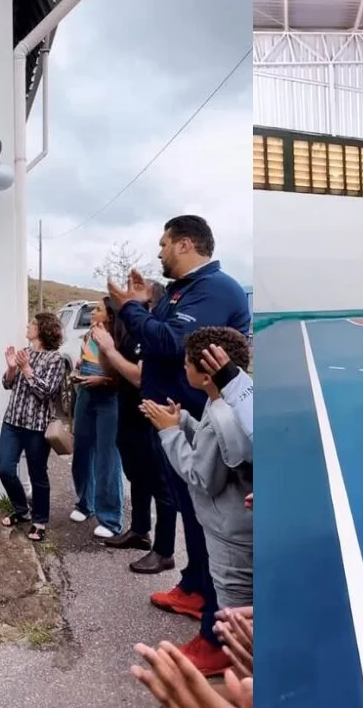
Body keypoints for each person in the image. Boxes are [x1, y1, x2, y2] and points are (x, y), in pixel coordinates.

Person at [108, 215, 250, 676]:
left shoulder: (218, 290)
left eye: (164, 243)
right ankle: (193, 587)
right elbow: (157, 338)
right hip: (175, 417)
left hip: (197, 426)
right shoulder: (179, 291)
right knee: (192, 515)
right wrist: (148, 303)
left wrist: (131, 308)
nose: (159, 252)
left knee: (209, 524)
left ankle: (219, 635)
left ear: (185, 244)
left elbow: (170, 342)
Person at [141, 327, 253, 618]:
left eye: (187, 363)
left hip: (230, 537)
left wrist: (170, 433)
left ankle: (228, 646)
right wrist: (184, 421)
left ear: (205, 377)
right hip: (239, 529)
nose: (183, 367)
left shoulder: (220, 416)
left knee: (234, 612)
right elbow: (217, 448)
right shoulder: (229, 400)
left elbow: (202, 478)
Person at [93, 282, 177, 574]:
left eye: (138, 300)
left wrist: (109, 348)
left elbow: (140, 377)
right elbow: (111, 371)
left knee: (161, 485)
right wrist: (103, 346)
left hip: (152, 417)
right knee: (137, 476)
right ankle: (140, 531)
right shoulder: (130, 332)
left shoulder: (156, 334)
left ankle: (164, 551)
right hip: (128, 411)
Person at [0, 312, 64, 542]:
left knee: (38, 474)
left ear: (43, 330)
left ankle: (39, 521)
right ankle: (21, 509)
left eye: (33, 323)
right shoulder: (25, 353)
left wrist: (26, 369)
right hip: (12, 421)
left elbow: (47, 392)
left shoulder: (55, 359)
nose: (28, 325)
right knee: (5, 468)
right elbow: (7, 384)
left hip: (36, 426)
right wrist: (11, 368)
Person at [68, 298, 124, 540]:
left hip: (109, 398)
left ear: (110, 316)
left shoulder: (119, 339)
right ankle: (85, 503)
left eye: (98, 309)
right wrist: (77, 371)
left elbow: (126, 374)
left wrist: (103, 380)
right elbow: (84, 361)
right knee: (81, 449)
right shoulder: (89, 335)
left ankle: (111, 518)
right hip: (85, 393)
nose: (93, 312)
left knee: (107, 457)